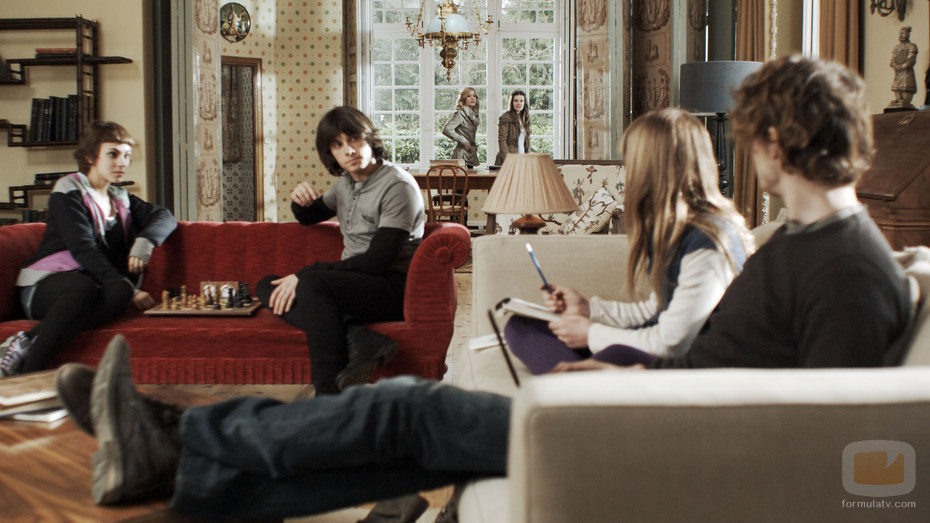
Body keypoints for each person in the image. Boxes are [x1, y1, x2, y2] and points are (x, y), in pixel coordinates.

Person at [55, 56, 912, 519]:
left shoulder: (846, 268)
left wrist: (634, 382)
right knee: (413, 436)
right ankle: (184, 476)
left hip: (653, 437)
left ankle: (179, 431)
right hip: (646, 410)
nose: (750, 152)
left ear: (774, 142)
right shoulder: (810, 242)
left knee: (407, 411)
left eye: (753, 137)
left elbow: (821, 439)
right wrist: (631, 367)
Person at [506, 108, 754, 374]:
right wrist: (588, 309)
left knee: (617, 353)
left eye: (633, 163)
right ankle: (589, 376)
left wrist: (591, 334)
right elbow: (656, 311)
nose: (629, 175)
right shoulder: (677, 229)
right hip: (653, 354)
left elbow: (670, 343)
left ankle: (587, 376)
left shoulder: (711, 241)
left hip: (685, 367)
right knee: (521, 327)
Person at [254, 106, 425, 394]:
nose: (349, 150)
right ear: (330, 154)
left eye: (354, 138)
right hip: (352, 283)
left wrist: (306, 274)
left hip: (391, 287)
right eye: (338, 145)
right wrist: (299, 201)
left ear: (370, 138)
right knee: (267, 285)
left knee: (311, 284)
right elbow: (310, 216)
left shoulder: (397, 186)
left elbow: (377, 261)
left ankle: (327, 395)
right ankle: (359, 337)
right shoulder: (345, 184)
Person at [0, 122, 176, 377]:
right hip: (44, 287)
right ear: (90, 156)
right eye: (113, 154)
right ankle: (27, 374)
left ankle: (24, 345)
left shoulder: (120, 197)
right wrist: (129, 288)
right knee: (88, 287)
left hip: (90, 288)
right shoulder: (68, 190)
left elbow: (165, 216)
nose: (122, 162)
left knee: (119, 291)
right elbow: (82, 248)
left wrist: (145, 242)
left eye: (126, 155)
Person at [441, 87, 480, 167]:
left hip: (470, 154)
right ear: (464, 99)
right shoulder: (460, 114)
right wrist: (464, 141)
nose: (472, 98)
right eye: (469, 96)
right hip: (461, 155)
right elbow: (447, 130)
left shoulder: (473, 115)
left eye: (474, 96)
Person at [495, 90, 530, 165]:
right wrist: (508, 160)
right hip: (508, 159)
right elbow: (502, 141)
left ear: (524, 103)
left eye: (521, 101)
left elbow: (525, 142)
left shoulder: (525, 119)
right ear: (512, 103)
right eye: (516, 101)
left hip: (522, 158)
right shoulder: (506, 117)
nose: (518, 103)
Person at [888, 26, 918, 109]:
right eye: (900, 33)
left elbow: (911, 58)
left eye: (903, 33)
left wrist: (904, 65)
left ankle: (905, 100)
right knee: (896, 87)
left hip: (906, 71)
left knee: (906, 86)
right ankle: (898, 99)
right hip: (897, 72)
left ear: (908, 35)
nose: (901, 35)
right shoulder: (897, 47)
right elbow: (892, 59)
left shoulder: (912, 46)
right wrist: (894, 65)